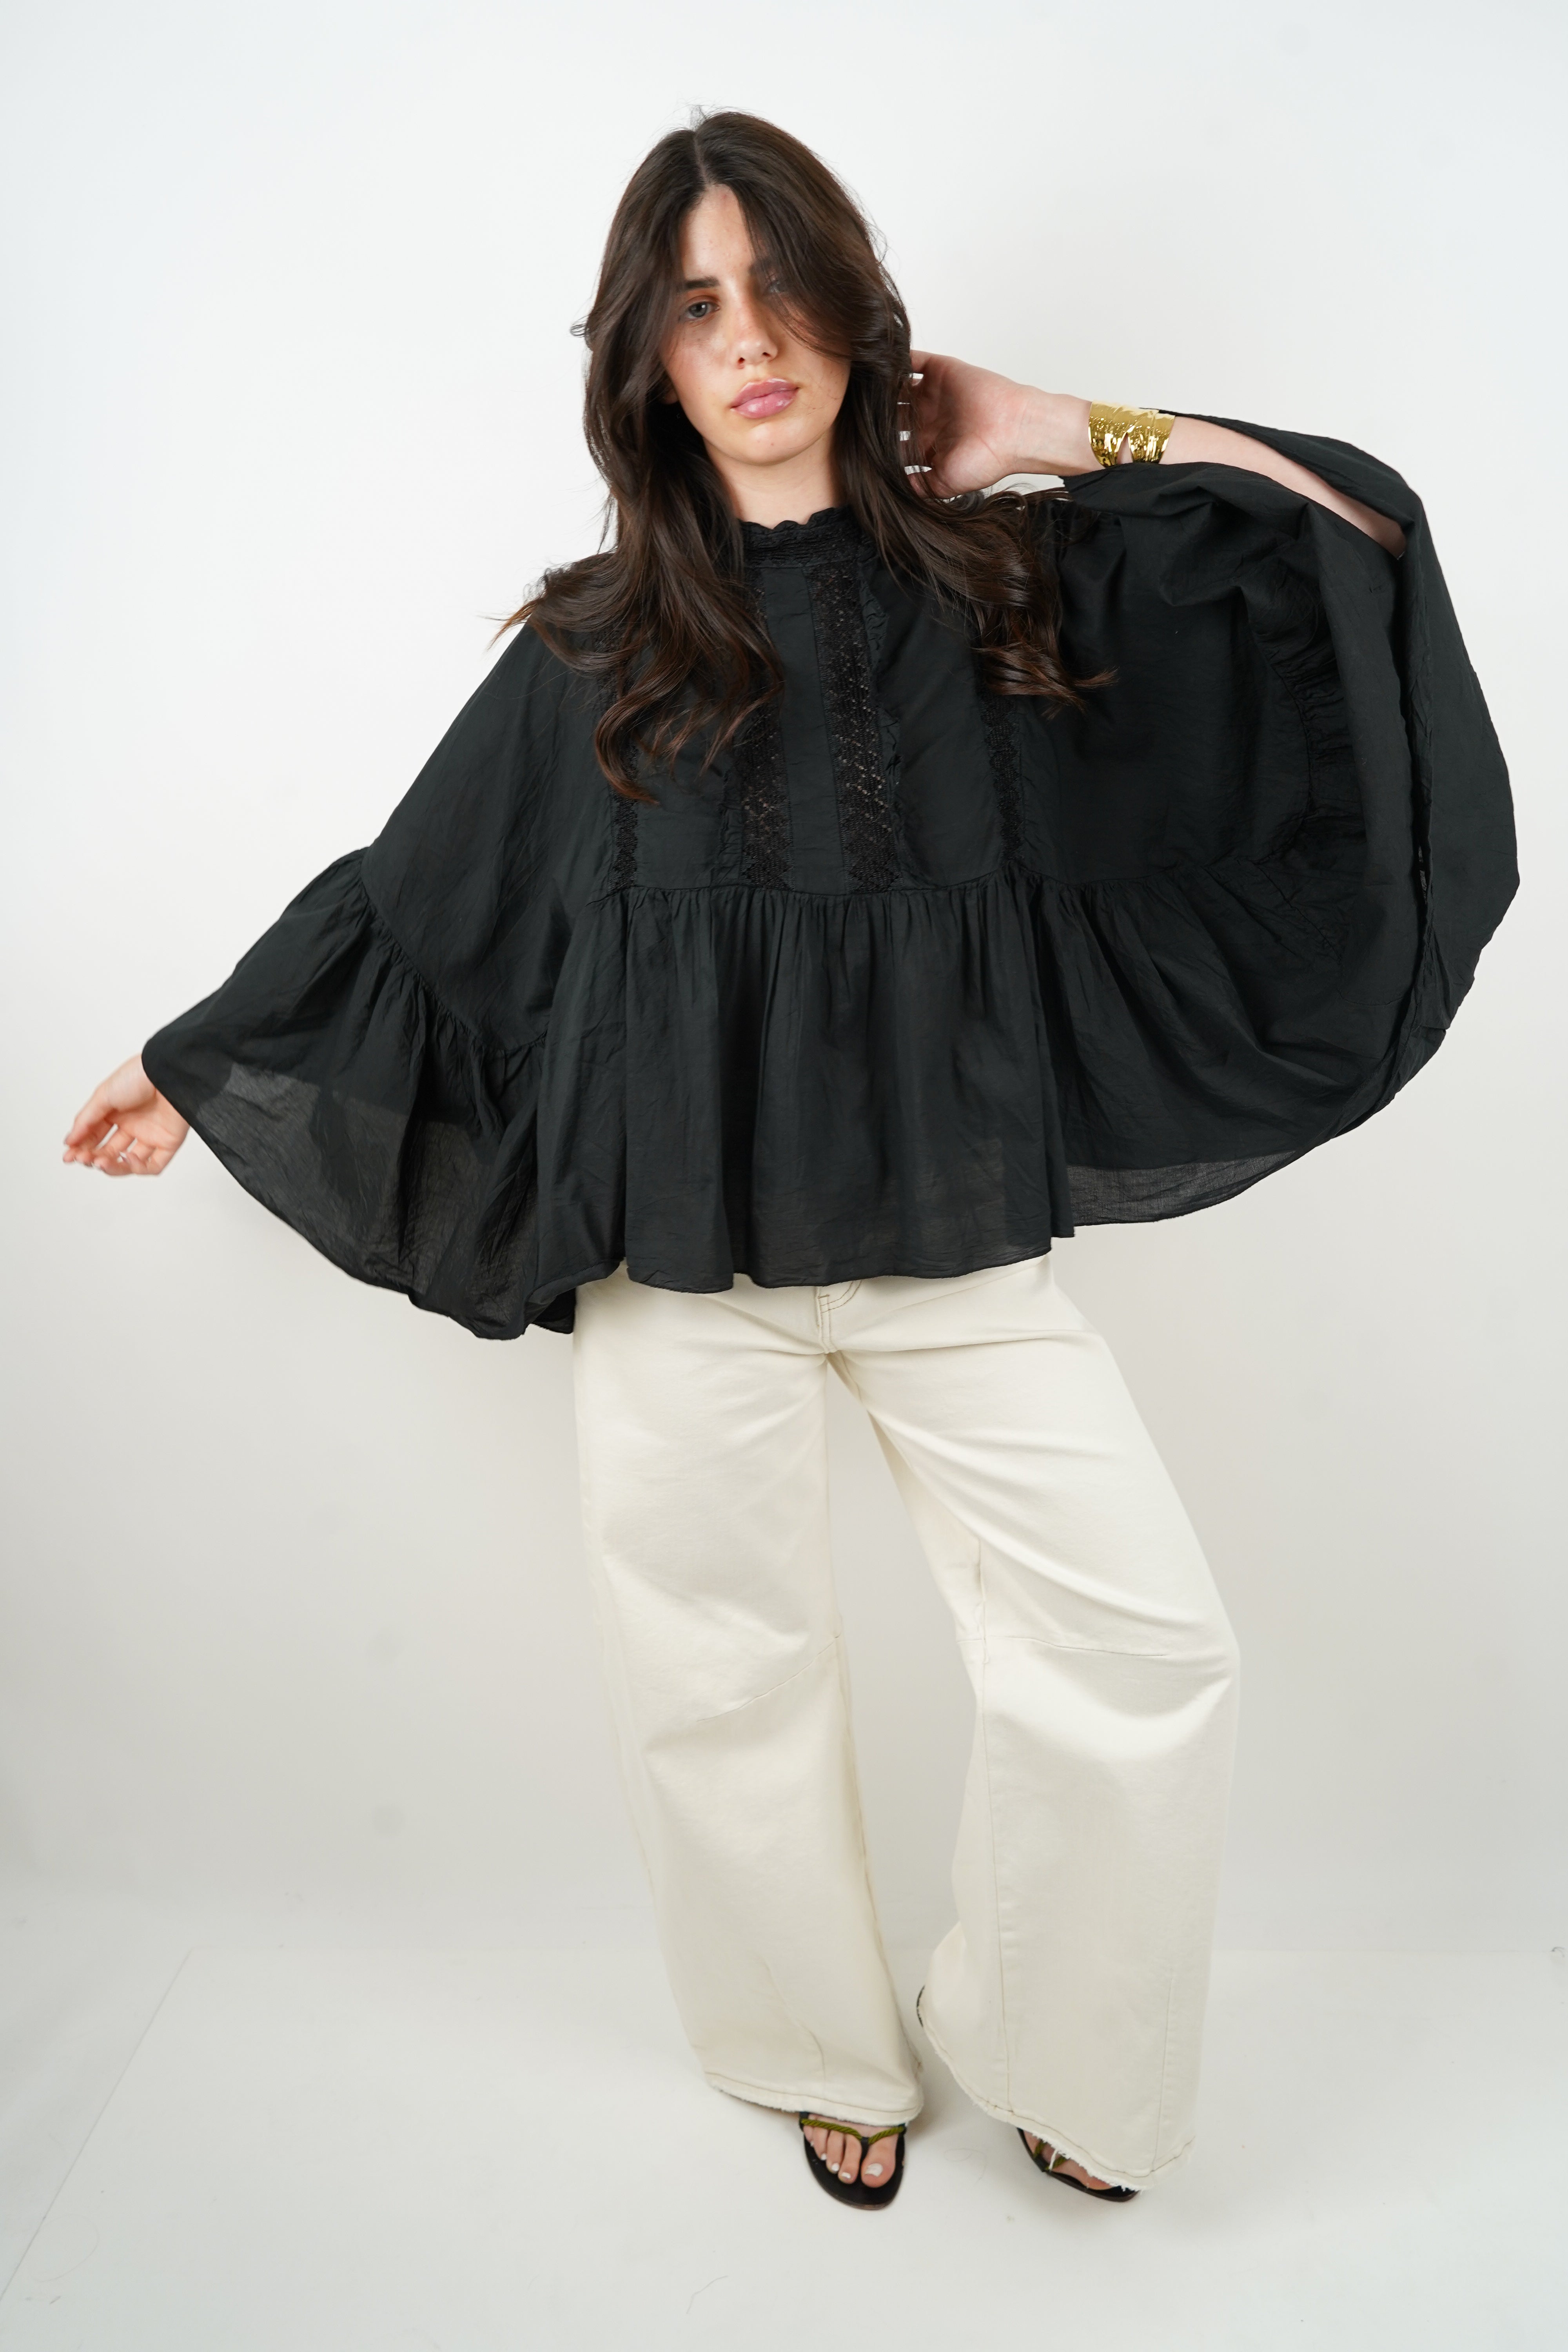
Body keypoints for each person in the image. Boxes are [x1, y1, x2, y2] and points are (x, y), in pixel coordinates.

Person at [64, 112, 1514, 2209]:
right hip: (682, 1275)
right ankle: (817, 2047)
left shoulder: (1004, 589)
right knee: (717, 1683)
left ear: (851, 308)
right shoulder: (592, 646)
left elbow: (1353, 541)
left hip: (955, 1251)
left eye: (779, 288)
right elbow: (418, 901)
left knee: (1142, 1649)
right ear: (647, 362)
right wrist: (194, 1056)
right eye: (695, 308)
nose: (748, 342)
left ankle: (1050, 2039)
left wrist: (1059, 427)